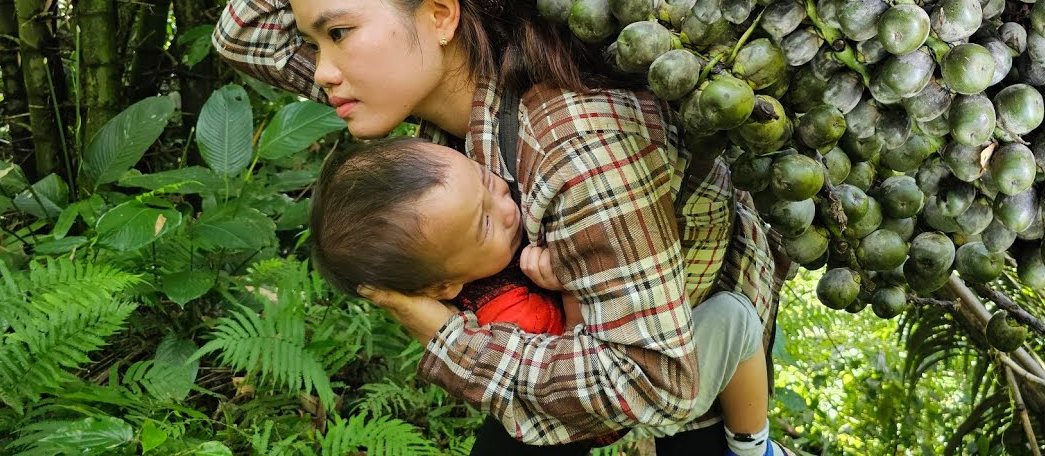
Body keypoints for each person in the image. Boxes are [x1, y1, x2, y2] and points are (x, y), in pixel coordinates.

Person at [211, 0, 792, 453]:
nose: (322, 68)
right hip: (563, 365)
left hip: (679, 370)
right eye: (315, 41)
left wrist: (442, 333)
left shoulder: (574, 144)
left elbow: (653, 384)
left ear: (439, 14)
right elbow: (244, 34)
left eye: (341, 32)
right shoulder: (450, 94)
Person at [308, 136, 792, 456]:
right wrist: (568, 282)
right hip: (617, 400)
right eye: (484, 224)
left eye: (486, 181)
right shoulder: (505, 313)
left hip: (634, 369)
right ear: (444, 288)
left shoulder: (461, 249)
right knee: (735, 317)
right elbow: (588, 358)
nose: (506, 206)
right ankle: (752, 443)